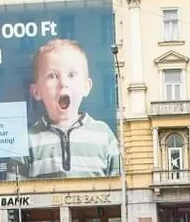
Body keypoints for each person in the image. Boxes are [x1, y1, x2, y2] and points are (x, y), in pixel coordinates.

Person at [26, 39, 121, 178]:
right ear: (36, 91)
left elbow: (119, 185)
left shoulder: (104, 135)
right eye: (52, 76)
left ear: (86, 86)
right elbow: (14, 192)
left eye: (71, 75)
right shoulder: (28, 139)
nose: (63, 83)